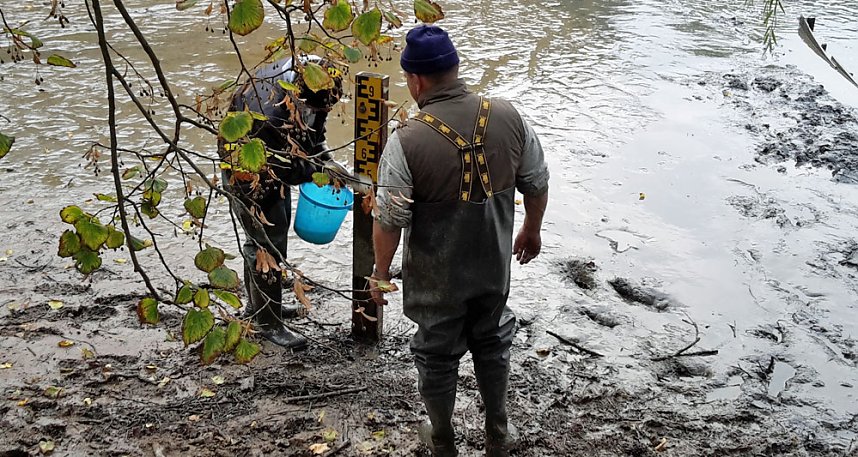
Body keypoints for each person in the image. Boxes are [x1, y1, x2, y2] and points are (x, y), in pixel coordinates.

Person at [370, 25, 550, 457]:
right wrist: (532, 229)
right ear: (455, 68)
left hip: (436, 280)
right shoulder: (509, 116)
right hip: (492, 268)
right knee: (492, 342)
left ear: (414, 80)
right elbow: (537, 182)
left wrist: (379, 273)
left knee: (436, 354)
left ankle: (442, 438)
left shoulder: (405, 142)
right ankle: (498, 434)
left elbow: (390, 220)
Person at [220, 55, 345, 350]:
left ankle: (261, 307)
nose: (323, 111)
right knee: (267, 243)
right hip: (248, 168)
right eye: (318, 107)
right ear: (299, 95)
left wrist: (325, 157)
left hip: (274, 156)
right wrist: (320, 172)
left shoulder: (315, 77)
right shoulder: (272, 112)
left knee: (272, 236)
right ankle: (269, 324)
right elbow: (284, 171)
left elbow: (315, 127)